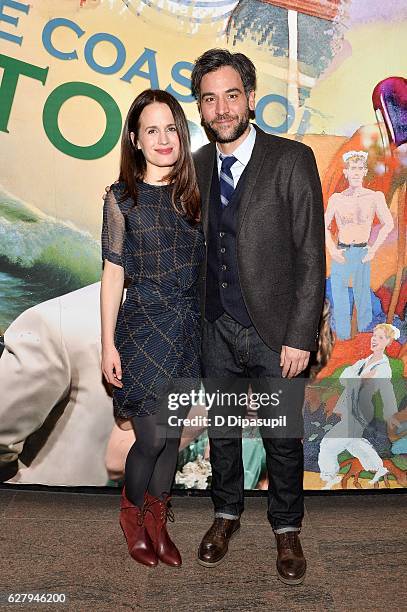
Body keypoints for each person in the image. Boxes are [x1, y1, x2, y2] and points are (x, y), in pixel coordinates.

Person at [190, 49, 325, 585]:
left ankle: (287, 528)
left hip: (275, 334)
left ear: (250, 98)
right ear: (200, 108)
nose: (221, 108)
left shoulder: (292, 160)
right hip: (215, 328)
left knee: (281, 437)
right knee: (222, 433)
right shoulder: (197, 165)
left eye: (231, 95)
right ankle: (225, 516)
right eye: (209, 99)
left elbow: (311, 255)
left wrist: (300, 335)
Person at [100, 89, 204, 567]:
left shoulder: (194, 195)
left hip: (187, 332)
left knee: (173, 438)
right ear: (136, 140)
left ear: (181, 135)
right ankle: (131, 513)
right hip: (141, 330)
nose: (163, 139)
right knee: (152, 438)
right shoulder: (121, 199)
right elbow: (113, 274)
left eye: (170, 129)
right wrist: (106, 346)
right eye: (151, 130)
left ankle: (158, 522)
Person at [318, 323, 401, 489]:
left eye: (380, 337)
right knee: (354, 443)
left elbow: (387, 391)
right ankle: (379, 468)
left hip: (360, 411)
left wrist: (391, 415)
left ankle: (329, 476)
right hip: (350, 408)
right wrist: (360, 376)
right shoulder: (364, 361)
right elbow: (343, 378)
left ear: (388, 342)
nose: (375, 340)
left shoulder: (384, 368)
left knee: (327, 443)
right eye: (374, 336)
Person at [325, 151, 394, 339]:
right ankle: (343, 338)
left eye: (359, 169)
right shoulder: (337, 199)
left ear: (364, 172)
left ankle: (362, 340)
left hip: (362, 251)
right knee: (339, 296)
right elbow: (321, 226)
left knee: (363, 295)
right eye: (351, 169)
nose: (355, 172)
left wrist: (373, 249)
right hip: (342, 251)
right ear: (346, 172)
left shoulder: (374, 197)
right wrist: (332, 250)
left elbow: (389, 224)